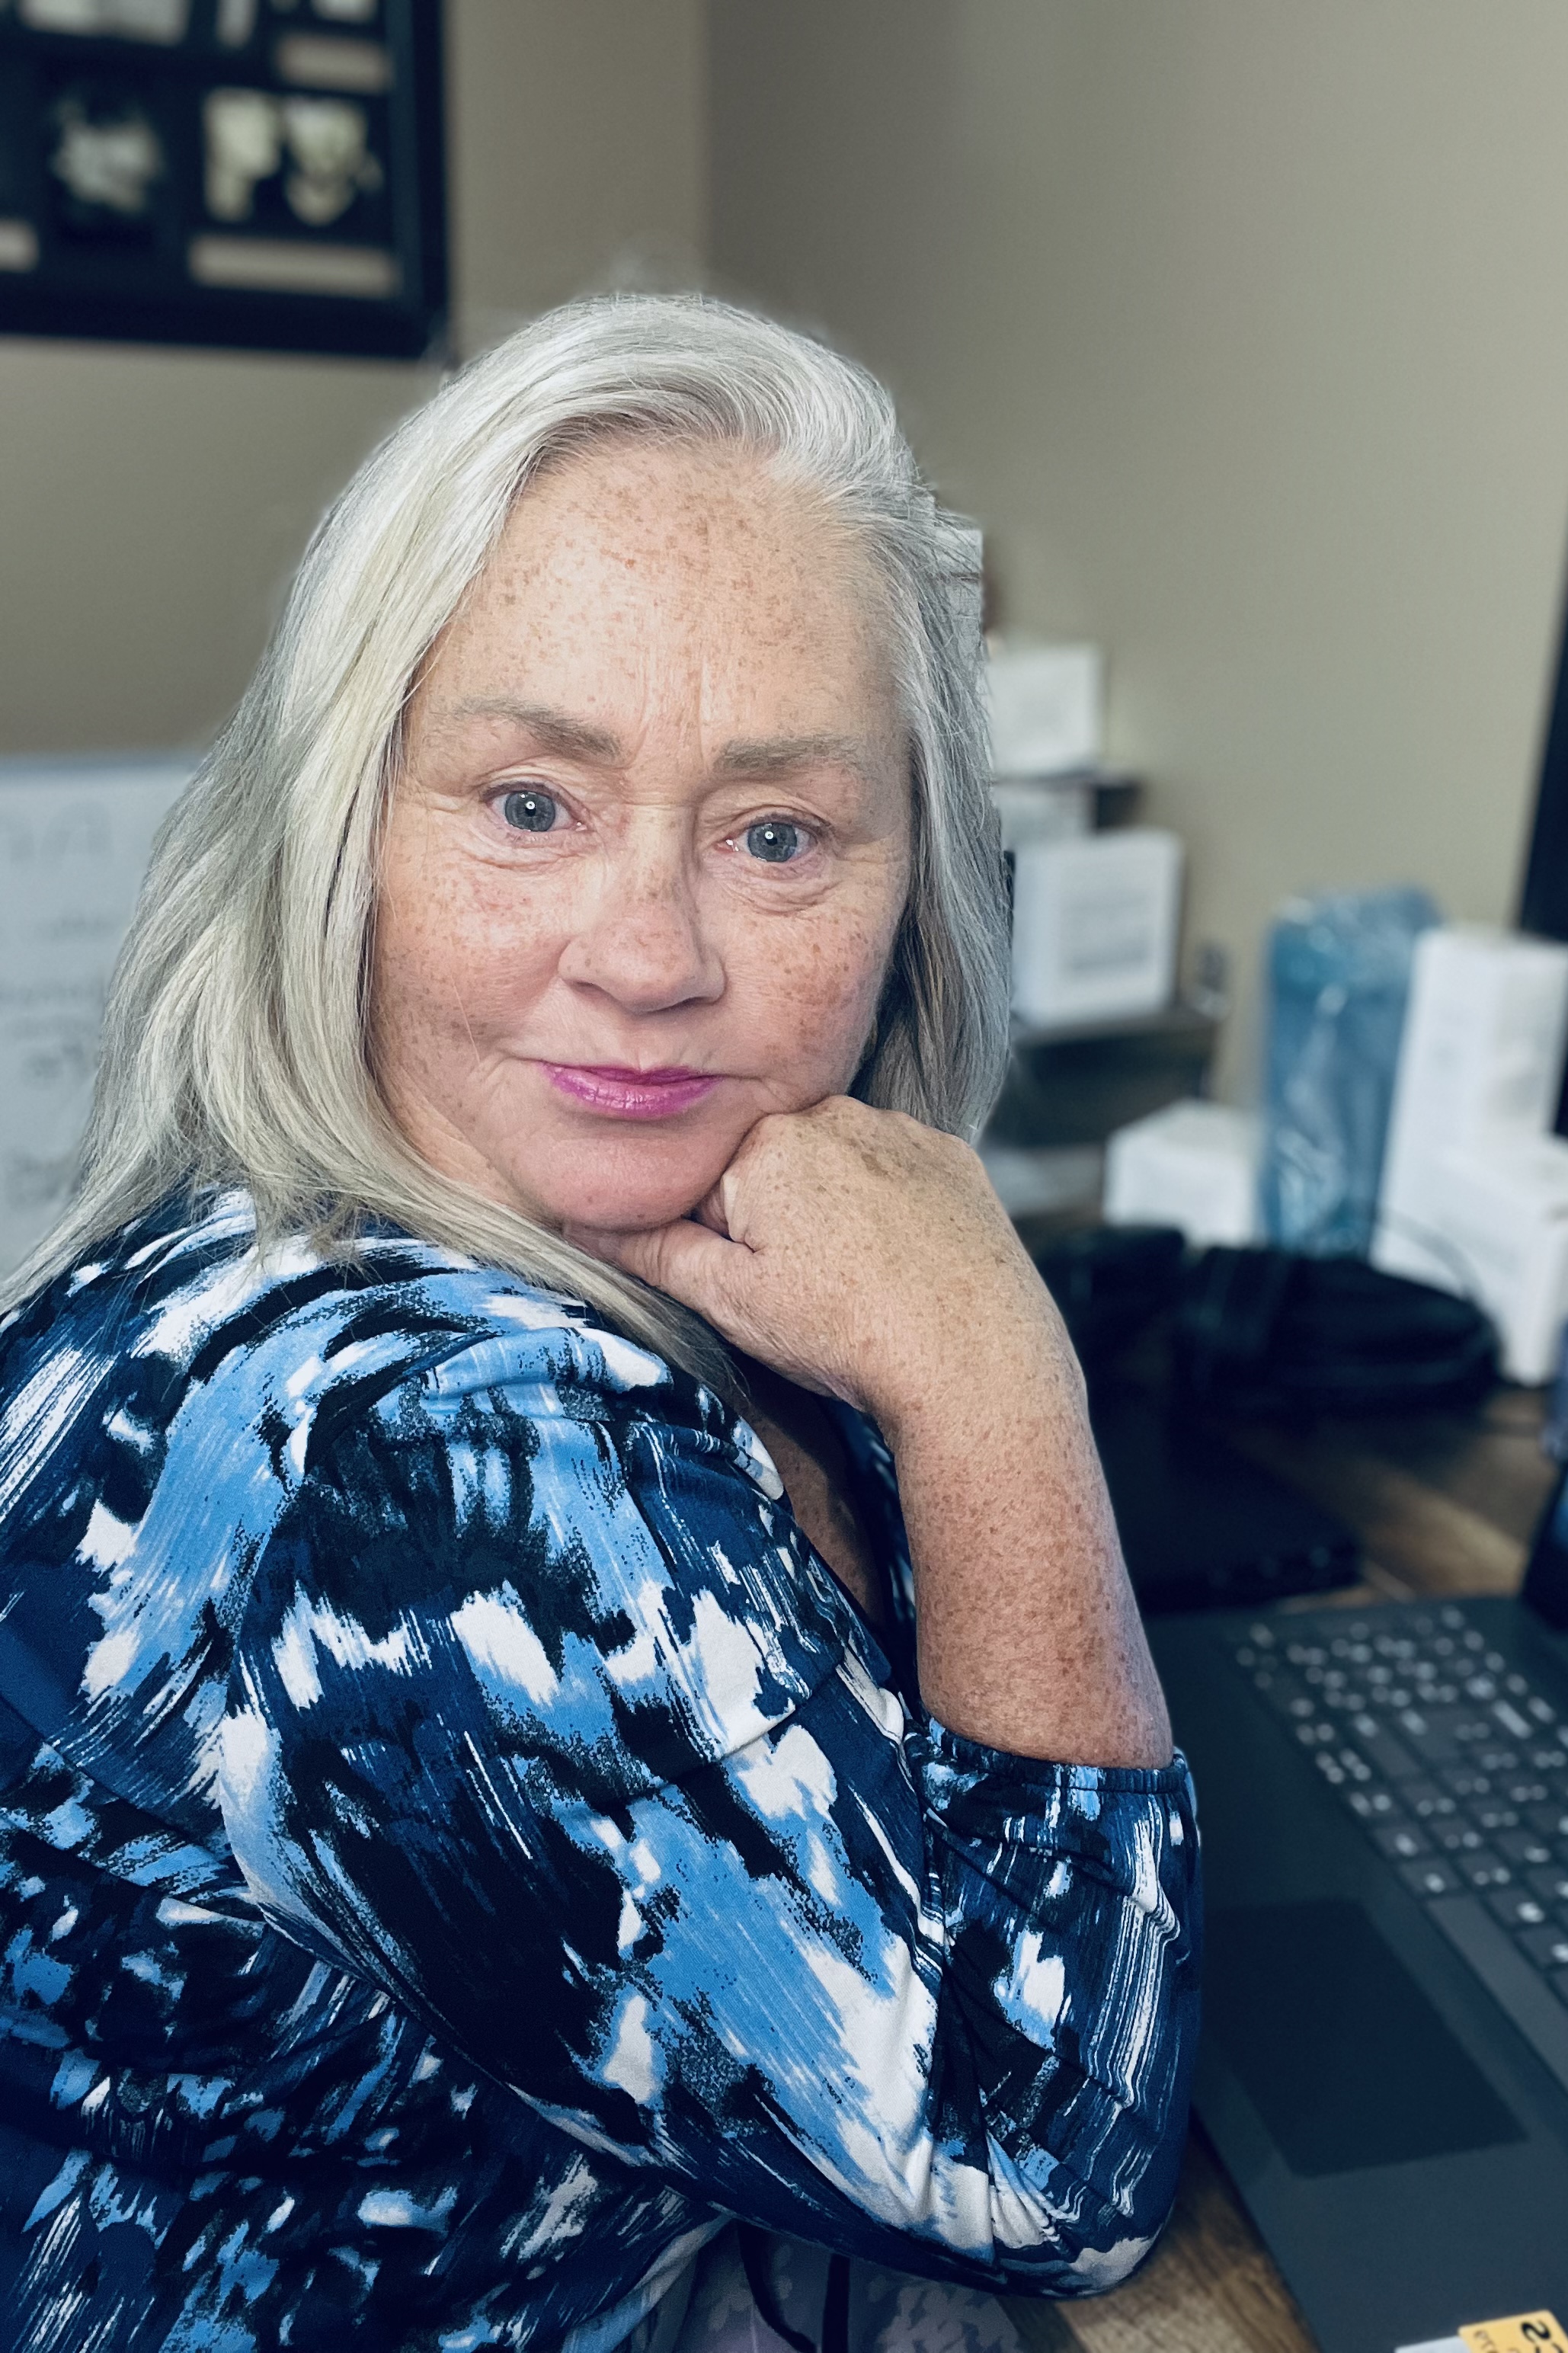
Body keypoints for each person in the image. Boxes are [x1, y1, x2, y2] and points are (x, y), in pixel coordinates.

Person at [0, 294, 1199, 2353]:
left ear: (919, 886)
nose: (649, 957)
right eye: (531, 804)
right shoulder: (411, 1450)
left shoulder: (576, 1254)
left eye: (775, 836)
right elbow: (1044, 2167)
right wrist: (1002, 1383)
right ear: (344, 833)